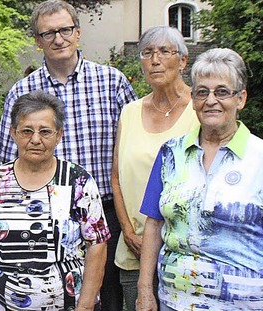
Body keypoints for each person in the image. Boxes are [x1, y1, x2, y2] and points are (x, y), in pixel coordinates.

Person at [0, 1, 137, 309]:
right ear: (37, 40)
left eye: (65, 30)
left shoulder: (112, 83)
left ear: (77, 32)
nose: (58, 39)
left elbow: (133, 150)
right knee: (49, 295)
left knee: (108, 297)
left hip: (106, 212)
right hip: (41, 215)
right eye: (48, 33)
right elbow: (8, 163)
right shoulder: (22, 92)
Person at [136, 48, 263, 310]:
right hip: (174, 302)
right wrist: (145, 290)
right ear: (193, 99)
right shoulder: (171, 153)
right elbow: (153, 224)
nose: (211, 100)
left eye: (222, 92)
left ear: (240, 99)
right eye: (202, 92)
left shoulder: (259, 157)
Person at [0, 90, 109, 310]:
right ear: (13, 133)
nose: (35, 139)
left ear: (59, 135)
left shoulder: (78, 181)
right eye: (26, 131)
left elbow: (97, 245)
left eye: (45, 131)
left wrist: (86, 305)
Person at [110, 26, 199, 311]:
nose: (155, 60)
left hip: (187, 253)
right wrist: (127, 231)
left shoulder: (202, 110)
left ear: (183, 61)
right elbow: (117, 177)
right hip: (134, 249)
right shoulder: (130, 112)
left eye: (164, 51)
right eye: (147, 53)